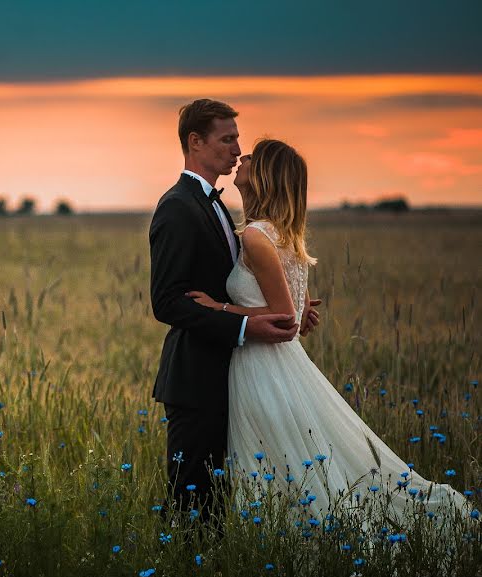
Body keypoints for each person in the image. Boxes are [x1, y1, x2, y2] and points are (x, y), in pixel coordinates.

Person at [186, 138, 470, 521]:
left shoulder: (256, 237)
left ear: (267, 174)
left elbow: (284, 319)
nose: (242, 157)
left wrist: (218, 307)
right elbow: (293, 311)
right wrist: (297, 312)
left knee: (275, 465)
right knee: (288, 464)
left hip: (262, 368)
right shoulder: (278, 234)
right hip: (276, 363)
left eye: (253, 156)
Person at [148, 99, 303, 527]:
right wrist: (245, 325)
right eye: (227, 139)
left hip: (229, 377)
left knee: (215, 507)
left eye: (238, 139)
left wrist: (284, 312)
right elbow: (168, 301)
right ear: (195, 142)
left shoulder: (217, 206)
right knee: (190, 507)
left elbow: (228, 287)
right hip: (194, 379)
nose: (237, 149)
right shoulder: (178, 206)